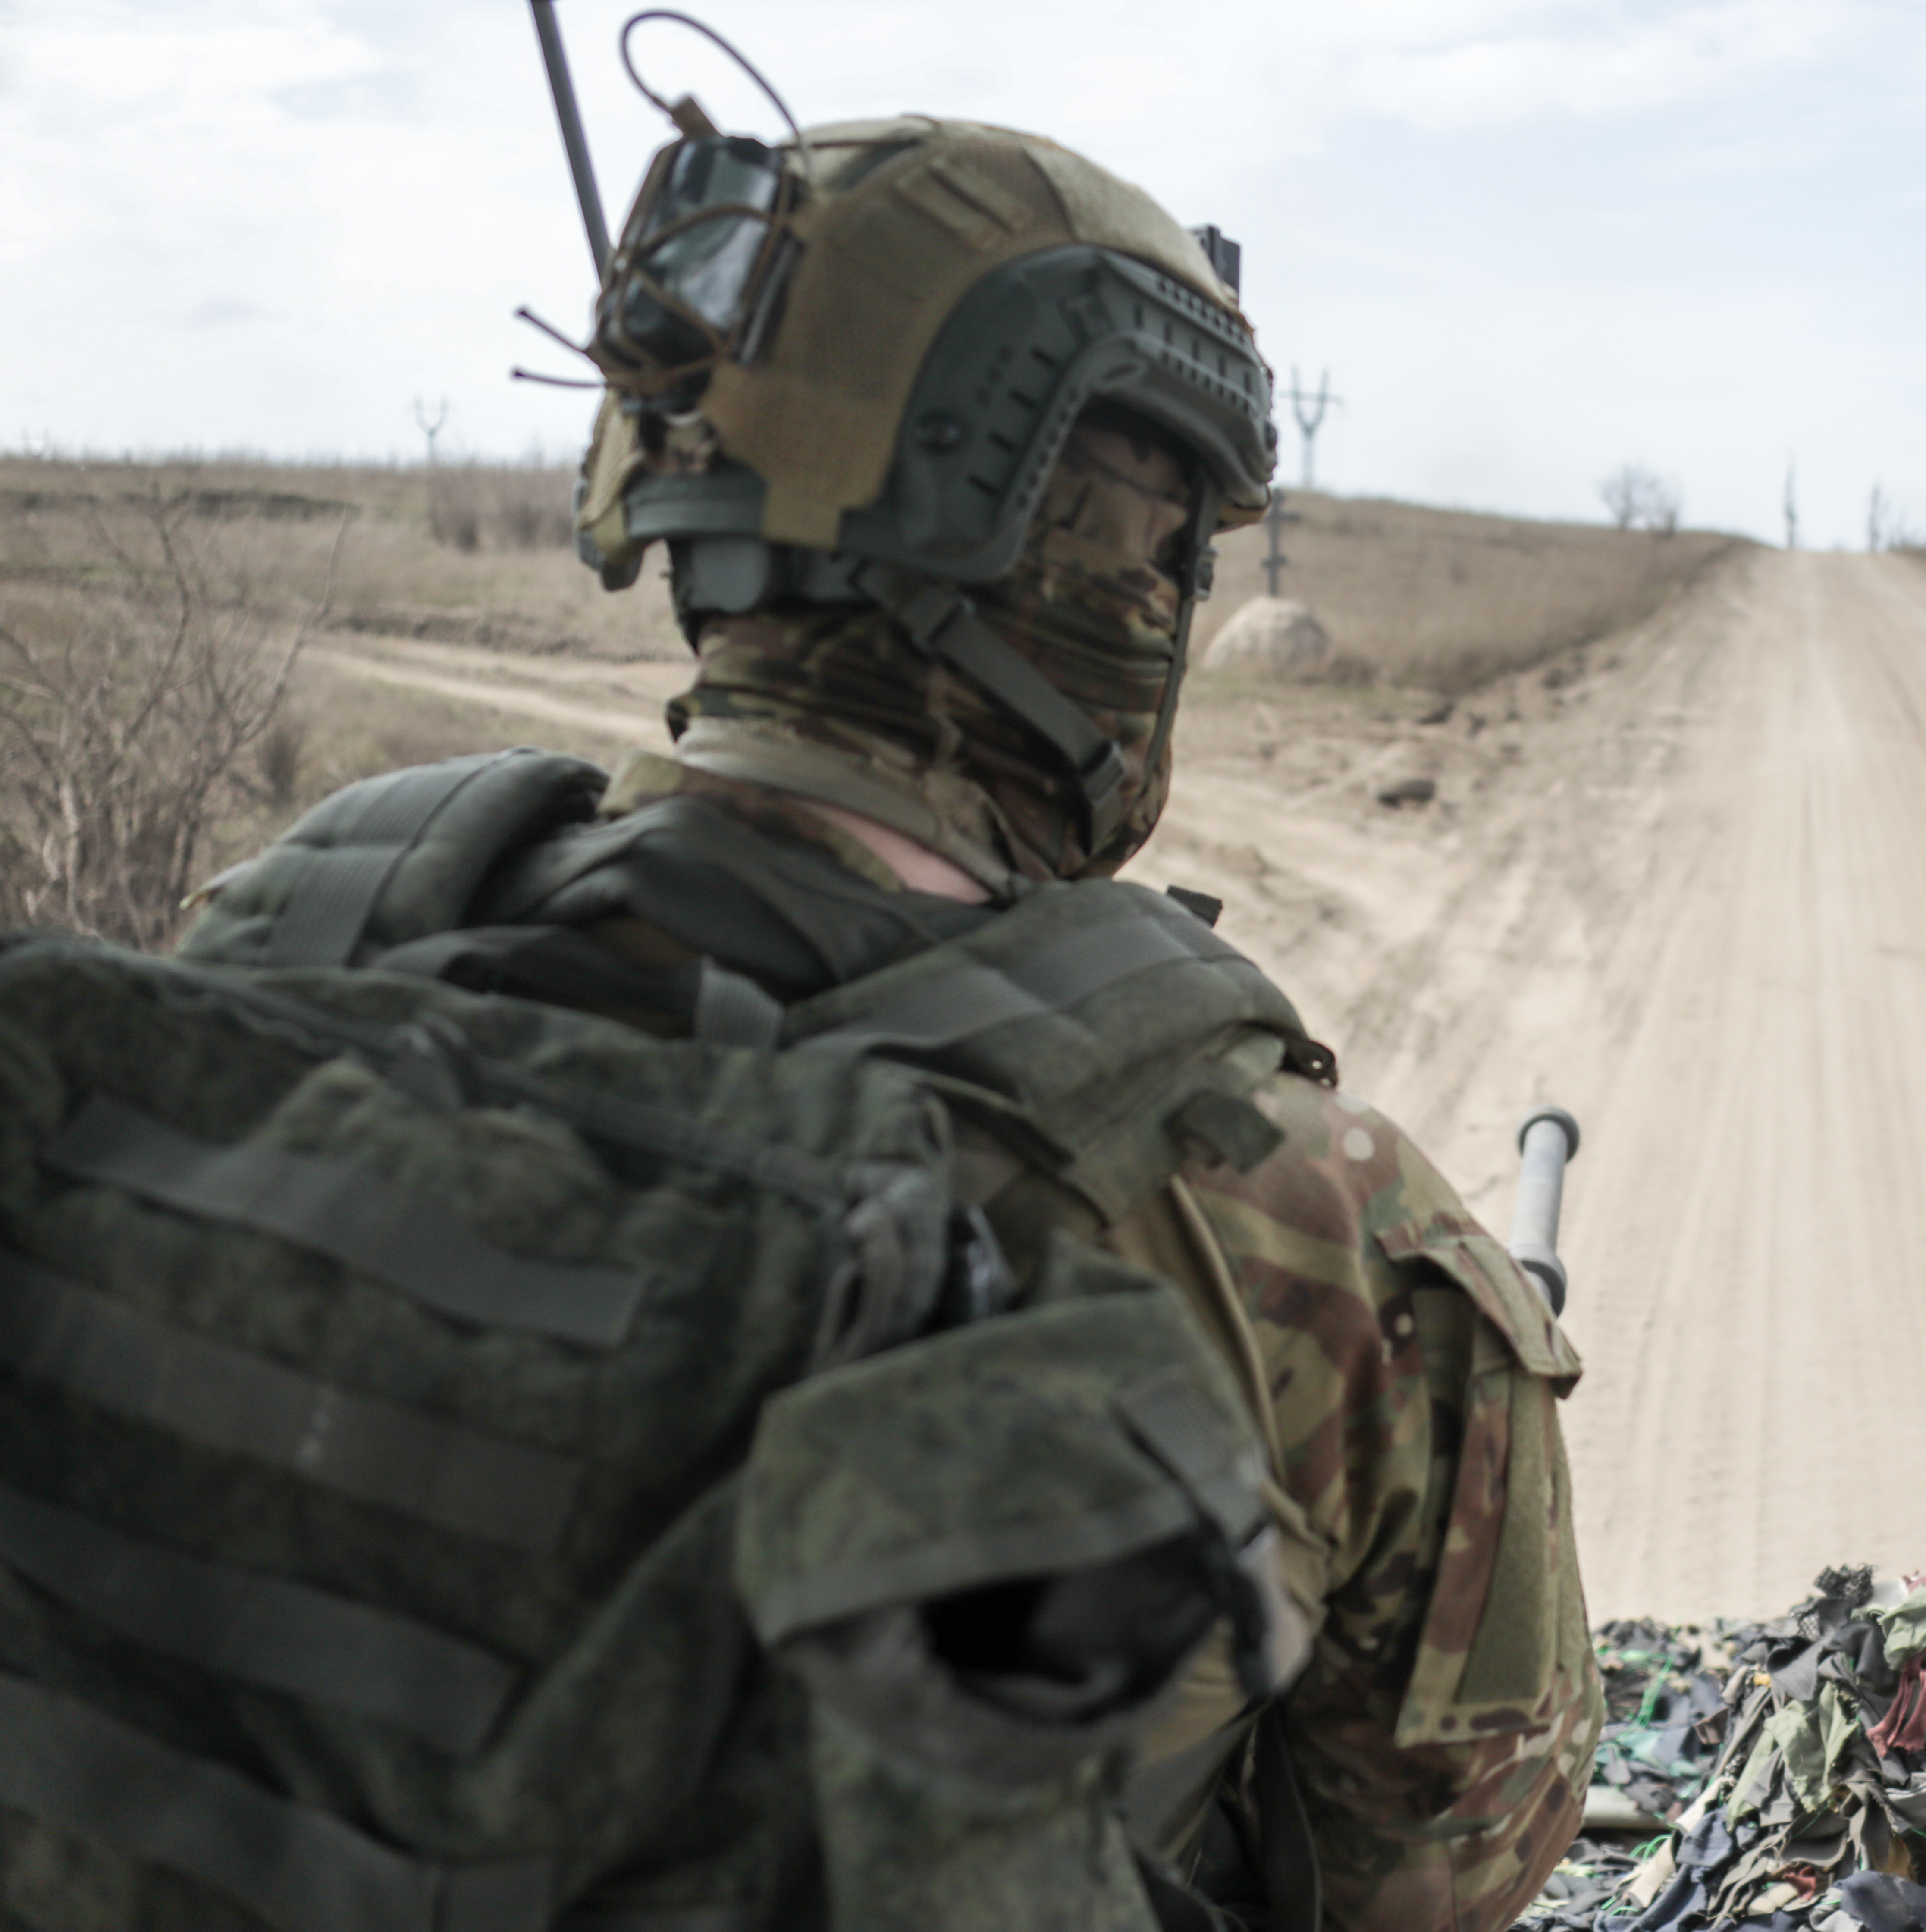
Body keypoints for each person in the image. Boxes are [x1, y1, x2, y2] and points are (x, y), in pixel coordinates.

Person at [5, 115, 1599, 1929]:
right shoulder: (1297, 1221)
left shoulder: (277, 944)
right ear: (1110, 583)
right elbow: (1438, 1872)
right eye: (1172, 556)